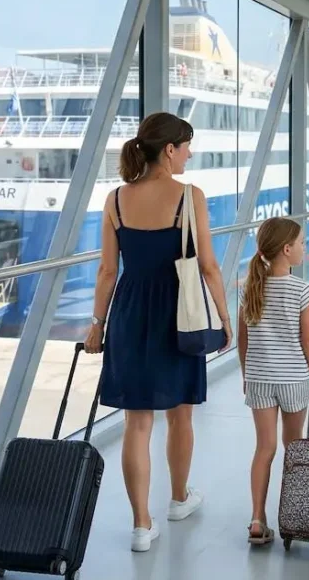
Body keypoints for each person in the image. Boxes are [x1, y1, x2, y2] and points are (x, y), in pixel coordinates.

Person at [83, 112, 232, 553]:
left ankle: (141, 525)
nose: (190, 153)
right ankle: (179, 498)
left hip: (130, 312)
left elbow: (108, 270)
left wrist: (97, 325)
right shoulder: (190, 196)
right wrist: (224, 320)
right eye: (186, 145)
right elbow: (207, 266)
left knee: (137, 423)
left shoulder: (115, 200)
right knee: (180, 414)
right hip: (178, 312)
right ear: (169, 150)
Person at [236, 217, 309, 546]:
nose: (306, 247)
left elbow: (242, 339)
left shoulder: (250, 287)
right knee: (293, 449)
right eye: (303, 243)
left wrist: (246, 376)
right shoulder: (302, 289)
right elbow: (308, 339)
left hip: (260, 378)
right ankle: (291, 515)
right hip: (292, 379)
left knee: (264, 448)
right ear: (287, 249)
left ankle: (257, 519)